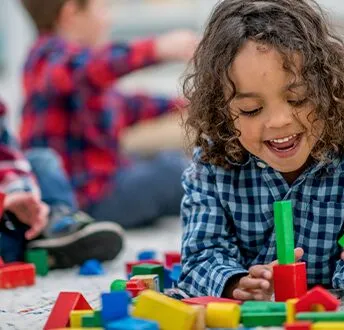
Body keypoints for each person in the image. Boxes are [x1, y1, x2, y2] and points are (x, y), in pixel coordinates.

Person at [176, 0, 344, 300]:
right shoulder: (211, 165)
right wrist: (236, 283)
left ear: (327, 89)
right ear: (222, 111)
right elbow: (200, 258)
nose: (279, 121)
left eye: (298, 99)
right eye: (251, 109)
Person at [19, 0, 198, 228]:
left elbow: (125, 106)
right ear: (71, 13)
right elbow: (93, 66)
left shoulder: (74, 71)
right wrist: (156, 48)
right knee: (175, 172)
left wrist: (186, 104)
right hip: (86, 198)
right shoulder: (47, 59)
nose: (109, 18)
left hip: (106, 184)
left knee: (169, 160)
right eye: (102, 8)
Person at [0, 99, 123, 267]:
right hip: (6, 225)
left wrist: (22, 193)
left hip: (19, 209)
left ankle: (57, 222)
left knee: (42, 159)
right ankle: (31, 246)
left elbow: (6, 155)